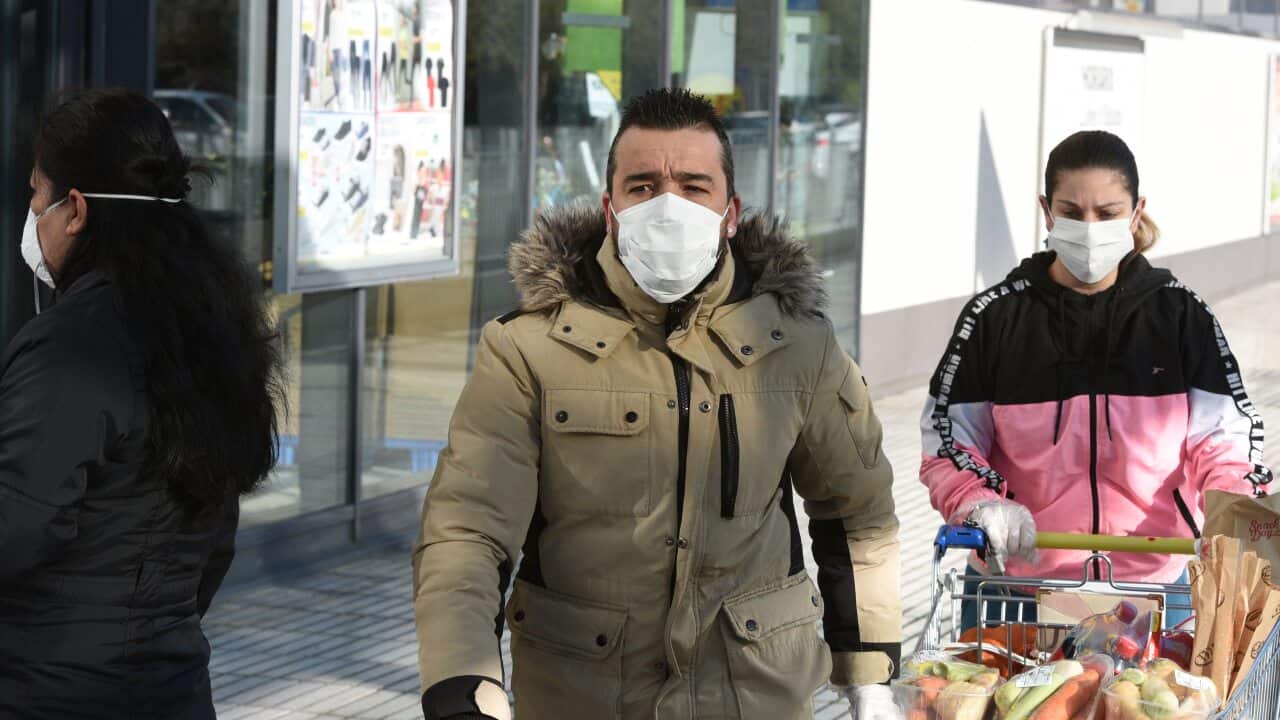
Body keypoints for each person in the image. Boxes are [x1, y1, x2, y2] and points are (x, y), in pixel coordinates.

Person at [413, 88, 902, 719]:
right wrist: (463, 686)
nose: (668, 206)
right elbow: (467, 528)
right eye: (642, 186)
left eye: (694, 186)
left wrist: (869, 678)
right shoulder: (526, 348)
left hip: (752, 694)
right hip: (581, 696)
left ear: (731, 213)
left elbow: (856, 513)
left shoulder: (799, 345)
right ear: (610, 208)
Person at [0, 89, 283, 717]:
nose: (30, 212)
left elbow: (16, 527)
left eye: (34, 194)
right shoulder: (210, 333)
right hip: (173, 687)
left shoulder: (71, 346)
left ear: (74, 209)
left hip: (48, 693)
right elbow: (216, 541)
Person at [920, 130, 1271, 630]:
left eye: (1107, 214)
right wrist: (981, 504)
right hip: (1017, 584)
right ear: (1046, 211)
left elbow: (1224, 438)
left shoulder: (1179, 317)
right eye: (1072, 211)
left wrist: (1234, 506)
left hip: (1156, 583)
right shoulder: (994, 318)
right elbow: (947, 439)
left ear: (1135, 210)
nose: (1089, 228)